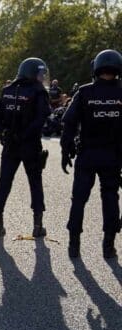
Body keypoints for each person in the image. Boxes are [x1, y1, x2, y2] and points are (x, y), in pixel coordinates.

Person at [61, 49, 122, 259]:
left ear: (95, 68)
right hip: (113, 157)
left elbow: (69, 122)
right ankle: (109, 246)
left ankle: (74, 245)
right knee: (111, 198)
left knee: (79, 199)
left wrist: (65, 150)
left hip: (87, 155)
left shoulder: (85, 92)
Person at [0, 58, 52, 237]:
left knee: (4, 182)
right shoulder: (38, 91)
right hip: (30, 145)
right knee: (35, 183)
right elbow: (41, 119)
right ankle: (37, 225)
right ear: (33, 73)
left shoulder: (7, 90)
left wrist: (4, 132)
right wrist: (24, 135)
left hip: (10, 144)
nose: (42, 78)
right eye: (40, 74)